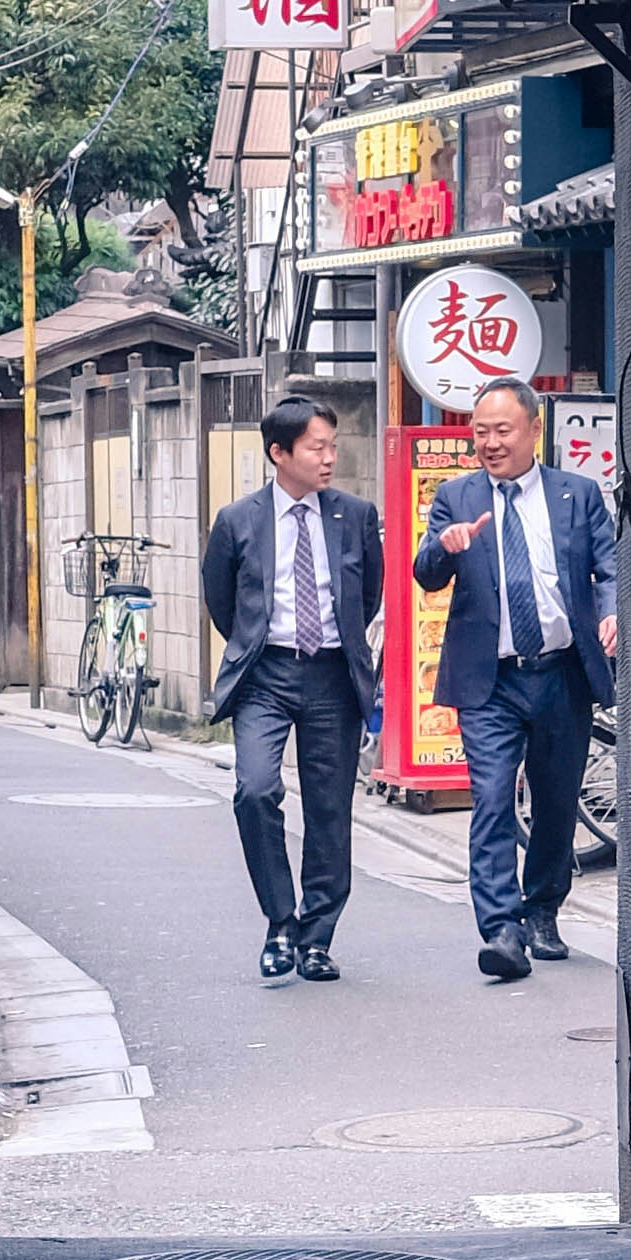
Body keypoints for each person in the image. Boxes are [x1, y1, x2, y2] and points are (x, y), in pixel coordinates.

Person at [415, 375, 620, 983]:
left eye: (503, 430)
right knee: (494, 799)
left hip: (562, 674)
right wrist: (446, 548)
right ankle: (500, 928)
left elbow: (608, 568)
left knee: (557, 801)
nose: (491, 443)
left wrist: (611, 610)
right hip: (490, 680)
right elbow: (427, 575)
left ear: (535, 430)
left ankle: (542, 911)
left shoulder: (578, 495)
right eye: (480, 432)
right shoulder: (456, 496)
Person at [199, 393, 384, 985]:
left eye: (333, 446)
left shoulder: (354, 515)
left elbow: (369, 593)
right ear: (280, 453)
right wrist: (262, 643)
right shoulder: (238, 520)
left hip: (332, 673)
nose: (329, 458)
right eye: (316, 448)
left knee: (330, 809)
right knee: (255, 790)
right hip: (266, 675)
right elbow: (222, 602)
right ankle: (280, 921)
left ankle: (316, 937)